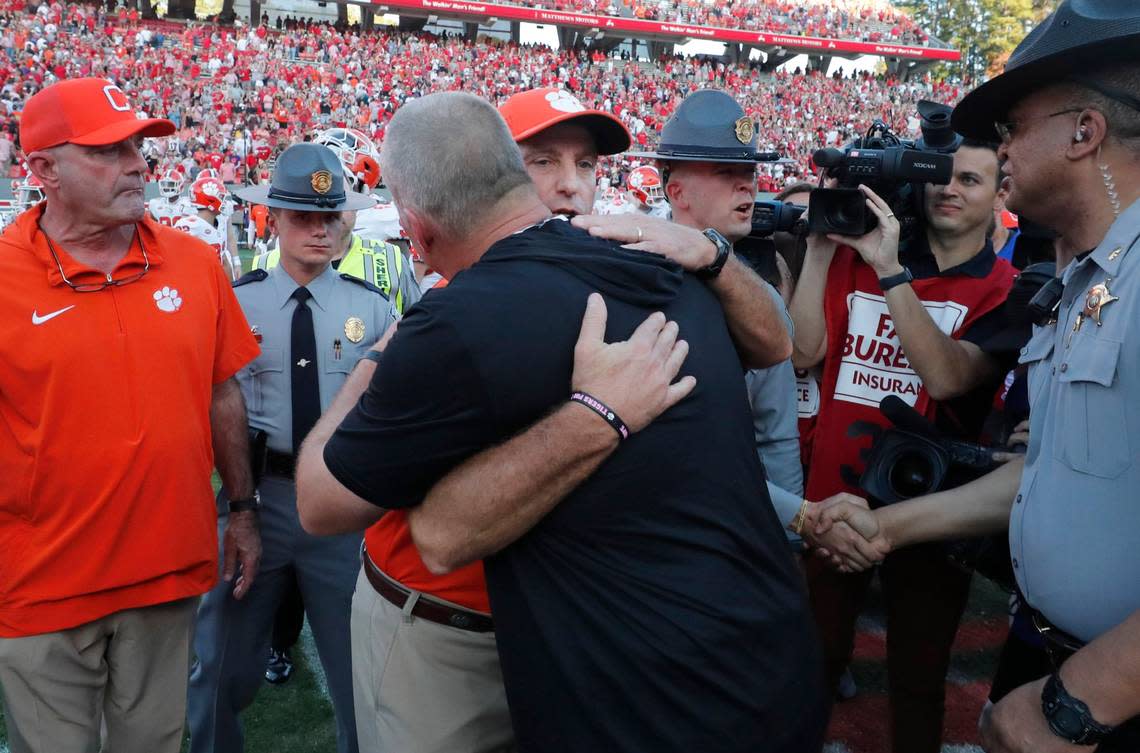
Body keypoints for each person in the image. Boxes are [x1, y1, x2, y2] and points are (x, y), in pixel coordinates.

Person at [296, 91, 828, 753]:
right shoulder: (470, 305)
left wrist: (712, 254)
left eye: (587, 163)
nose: (571, 183)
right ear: (504, 174)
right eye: (544, 160)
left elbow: (775, 345)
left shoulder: (663, 264)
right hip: (470, 630)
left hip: (621, 670)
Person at [817, 3, 1140, 751]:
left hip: (1100, 700)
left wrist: (1079, 702)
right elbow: (1041, 474)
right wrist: (885, 524)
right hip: (1054, 665)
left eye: (1012, 128)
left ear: (1083, 131)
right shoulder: (1074, 279)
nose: (1001, 151)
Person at [0, 77, 261, 753]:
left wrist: (243, 508)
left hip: (166, 572)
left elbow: (222, 391)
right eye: (108, 150)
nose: (137, 163)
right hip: (41, 585)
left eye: (138, 146)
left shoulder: (196, 263)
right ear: (42, 170)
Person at [788, 120, 1017, 749]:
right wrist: (819, 246)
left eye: (970, 179)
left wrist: (890, 272)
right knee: (812, 666)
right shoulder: (856, 255)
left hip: (933, 513)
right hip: (832, 503)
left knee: (919, 677)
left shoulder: (1005, 289)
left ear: (1001, 193)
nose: (949, 190)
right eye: (940, 176)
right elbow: (804, 351)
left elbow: (946, 379)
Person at [187, 143, 397, 753]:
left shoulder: (371, 306)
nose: (319, 229)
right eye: (303, 215)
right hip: (256, 499)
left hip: (339, 504)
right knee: (220, 662)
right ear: (271, 219)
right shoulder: (236, 300)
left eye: (330, 216)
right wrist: (240, 507)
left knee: (359, 668)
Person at [176, 173, 240, 280]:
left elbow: (223, 260)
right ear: (210, 201)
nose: (224, 202)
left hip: (215, 280)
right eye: (221, 197)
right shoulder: (188, 226)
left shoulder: (216, 224)